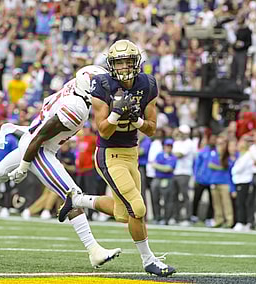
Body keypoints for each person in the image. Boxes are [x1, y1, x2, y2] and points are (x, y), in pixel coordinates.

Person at [0, 65, 122, 268]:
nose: (104, 90)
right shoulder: (77, 106)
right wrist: (24, 165)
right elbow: (40, 137)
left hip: (33, 139)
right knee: (72, 194)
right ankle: (94, 249)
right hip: (38, 148)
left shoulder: (74, 88)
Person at [58, 40, 176, 277]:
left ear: (137, 63)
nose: (123, 67)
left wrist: (137, 120)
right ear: (111, 65)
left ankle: (78, 201)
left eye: (128, 62)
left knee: (124, 213)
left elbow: (152, 129)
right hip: (109, 154)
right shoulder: (102, 85)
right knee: (138, 208)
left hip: (132, 153)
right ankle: (148, 260)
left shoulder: (148, 84)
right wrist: (115, 113)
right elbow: (102, 130)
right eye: (119, 62)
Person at [151, 138, 177, 225]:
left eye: (170, 146)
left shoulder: (173, 157)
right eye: (167, 146)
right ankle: (157, 217)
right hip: (157, 178)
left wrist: (159, 166)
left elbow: (168, 169)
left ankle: (166, 218)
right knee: (155, 198)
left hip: (167, 179)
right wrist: (163, 167)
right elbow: (153, 165)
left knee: (167, 200)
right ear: (164, 146)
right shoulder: (159, 155)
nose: (168, 148)